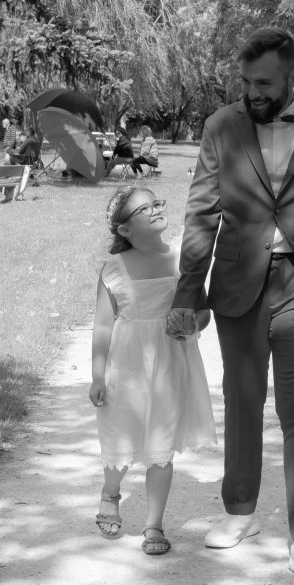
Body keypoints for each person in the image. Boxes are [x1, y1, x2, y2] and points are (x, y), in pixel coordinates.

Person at [167, 26, 294, 585]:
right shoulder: (221, 127)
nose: (253, 92)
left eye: (265, 83)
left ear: (290, 76)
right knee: (244, 397)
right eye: (246, 81)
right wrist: (190, 292)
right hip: (238, 284)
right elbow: (201, 211)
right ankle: (239, 512)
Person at [89, 185, 216, 555]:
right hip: (127, 367)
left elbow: (203, 310)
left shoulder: (181, 260)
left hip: (170, 364)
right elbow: (102, 325)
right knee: (123, 438)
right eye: (145, 209)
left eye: (158, 202)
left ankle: (154, 524)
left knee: (161, 447)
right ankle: (110, 492)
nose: (157, 209)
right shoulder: (114, 269)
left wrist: (193, 324)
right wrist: (98, 374)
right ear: (125, 229)